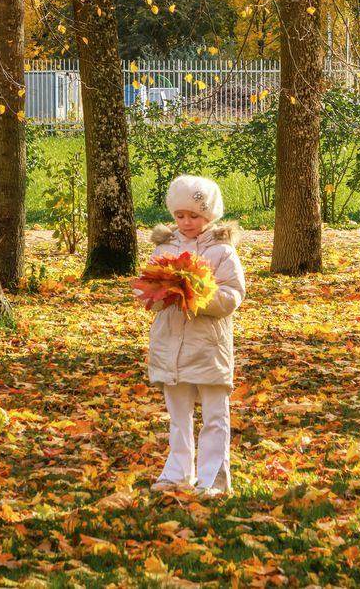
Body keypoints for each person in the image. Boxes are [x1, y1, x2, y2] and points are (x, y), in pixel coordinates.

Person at [147, 175, 246, 496]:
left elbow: (232, 295)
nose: (187, 222)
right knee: (178, 416)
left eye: (194, 215)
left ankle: (214, 477)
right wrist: (162, 291)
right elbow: (150, 295)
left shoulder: (221, 251)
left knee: (215, 415)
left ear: (209, 215)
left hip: (209, 345)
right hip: (170, 344)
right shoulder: (164, 247)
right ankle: (177, 473)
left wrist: (198, 295)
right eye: (180, 215)